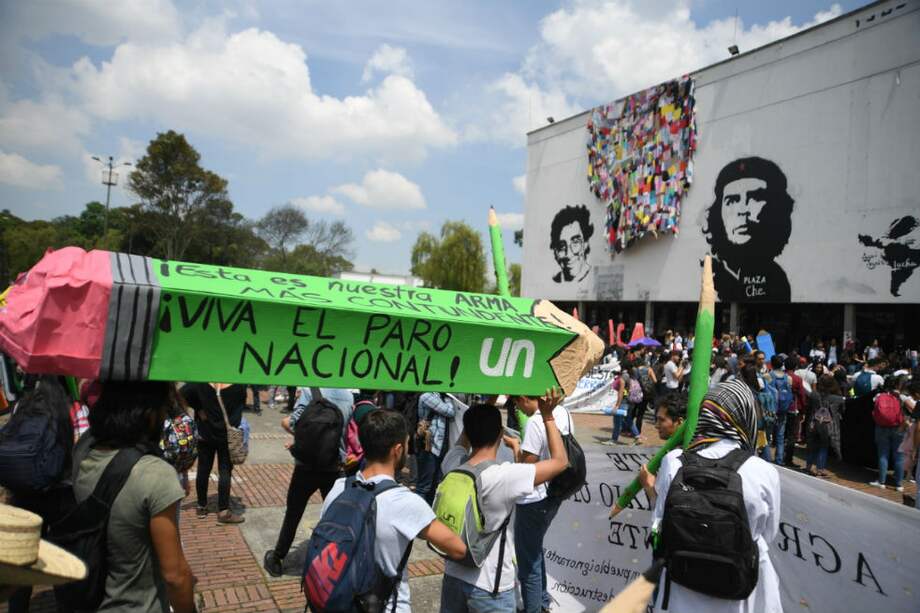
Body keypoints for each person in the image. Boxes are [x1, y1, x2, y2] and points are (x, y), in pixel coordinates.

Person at [644, 381, 781, 613]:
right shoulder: (763, 472)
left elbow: (659, 523)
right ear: (745, 418)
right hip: (738, 593)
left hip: (680, 590)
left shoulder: (673, 461)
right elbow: (767, 534)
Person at [321, 409, 467, 612]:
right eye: (407, 443)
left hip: (340, 599)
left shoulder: (339, 487)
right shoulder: (405, 502)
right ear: (397, 450)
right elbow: (458, 548)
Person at [74, 381, 196, 612]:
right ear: (148, 414)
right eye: (162, 409)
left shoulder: (82, 450)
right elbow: (175, 576)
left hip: (91, 598)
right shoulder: (155, 474)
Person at [439, 395, 568, 613]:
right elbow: (561, 462)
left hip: (453, 574)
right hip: (491, 588)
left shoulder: (452, 464)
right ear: (501, 435)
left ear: (469, 434)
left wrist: (487, 404)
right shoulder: (504, 476)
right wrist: (548, 416)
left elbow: (462, 441)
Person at [1, 377, 76, 612]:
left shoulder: (21, 408)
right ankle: (65, 603)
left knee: (25, 556)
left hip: (24, 494)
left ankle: (18, 606)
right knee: (63, 553)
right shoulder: (65, 411)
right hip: (59, 493)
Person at [263, 387, 355, 577]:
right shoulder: (347, 395)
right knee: (335, 514)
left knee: (294, 512)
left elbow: (293, 423)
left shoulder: (308, 391)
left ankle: (278, 557)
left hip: (306, 464)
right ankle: (337, 559)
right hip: (334, 464)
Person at [512, 390, 572, 612]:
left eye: (517, 404)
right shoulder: (563, 412)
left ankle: (534, 608)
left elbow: (528, 469)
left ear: (524, 398)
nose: (519, 410)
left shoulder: (536, 422)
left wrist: (516, 448)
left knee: (528, 564)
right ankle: (542, 603)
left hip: (534, 498)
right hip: (555, 492)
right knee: (534, 551)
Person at [703, 156, 794, 302]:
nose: (742, 209)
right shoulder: (707, 266)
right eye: (732, 200)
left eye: (756, 197)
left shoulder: (775, 280)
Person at [180, 382, 244, 524]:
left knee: (203, 469)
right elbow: (237, 418)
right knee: (225, 471)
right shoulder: (239, 386)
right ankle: (223, 511)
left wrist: (200, 408)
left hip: (205, 433)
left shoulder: (201, 383)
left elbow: (181, 394)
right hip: (226, 436)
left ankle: (201, 506)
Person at [415, 392, 457, 504]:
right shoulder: (427, 396)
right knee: (424, 487)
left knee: (435, 486)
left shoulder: (443, 396)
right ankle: (418, 516)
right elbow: (450, 412)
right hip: (428, 447)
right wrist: (449, 398)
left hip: (441, 448)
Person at [870, 378, 906, 491]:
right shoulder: (902, 397)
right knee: (899, 456)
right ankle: (899, 484)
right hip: (898, 428)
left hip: (881, 427)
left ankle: (881, 482)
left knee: (883, 455)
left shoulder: (879, 396)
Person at [805, 374, 844, 477]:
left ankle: (809, 466)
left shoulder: (814, 395)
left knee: (813, 445)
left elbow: (808, 406)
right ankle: (820, 469)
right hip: (828, 425)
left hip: (813, 423)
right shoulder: (838, 398)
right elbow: (842, 411)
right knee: (823, 446)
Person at [550, 204, 594, 283]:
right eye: (562, 247)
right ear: (556, 252)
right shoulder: (556, 279)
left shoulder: (593, 277)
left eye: (575, 242)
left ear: (586, 243)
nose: (569, 254)